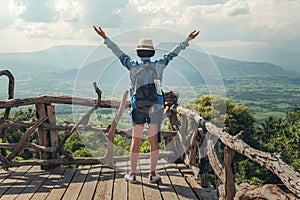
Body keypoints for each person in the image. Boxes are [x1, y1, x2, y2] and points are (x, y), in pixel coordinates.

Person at [93, 26, 200, 183]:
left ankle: (133, 175)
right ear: (152, 53)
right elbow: (173, 54)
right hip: (156, 108)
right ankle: (153, 174)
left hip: (138, 108)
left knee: (136, 141)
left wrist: (105, 37)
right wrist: (187, 40)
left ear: (138, 52)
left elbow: (118, 52)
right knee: (153, 142)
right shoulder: (159, 64)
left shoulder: (132, 65)